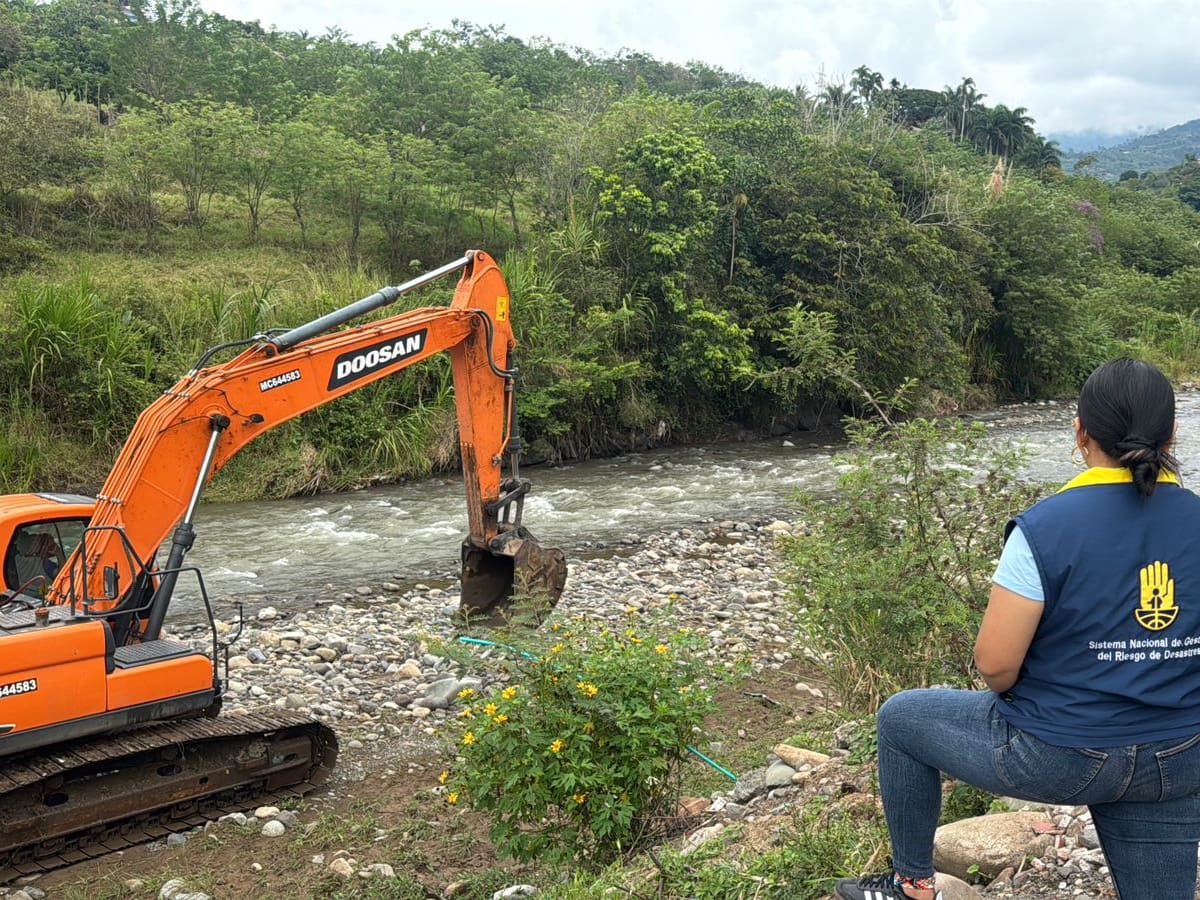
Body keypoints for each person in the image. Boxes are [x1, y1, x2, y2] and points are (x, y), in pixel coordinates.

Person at [835, 358, 1200, 900]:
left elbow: (996, 665)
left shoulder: (1045, 527)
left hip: (1064, 754)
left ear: (1080, 432)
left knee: (901, 719)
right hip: (1180, 756)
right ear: (1172, 432)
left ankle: (910, 884)